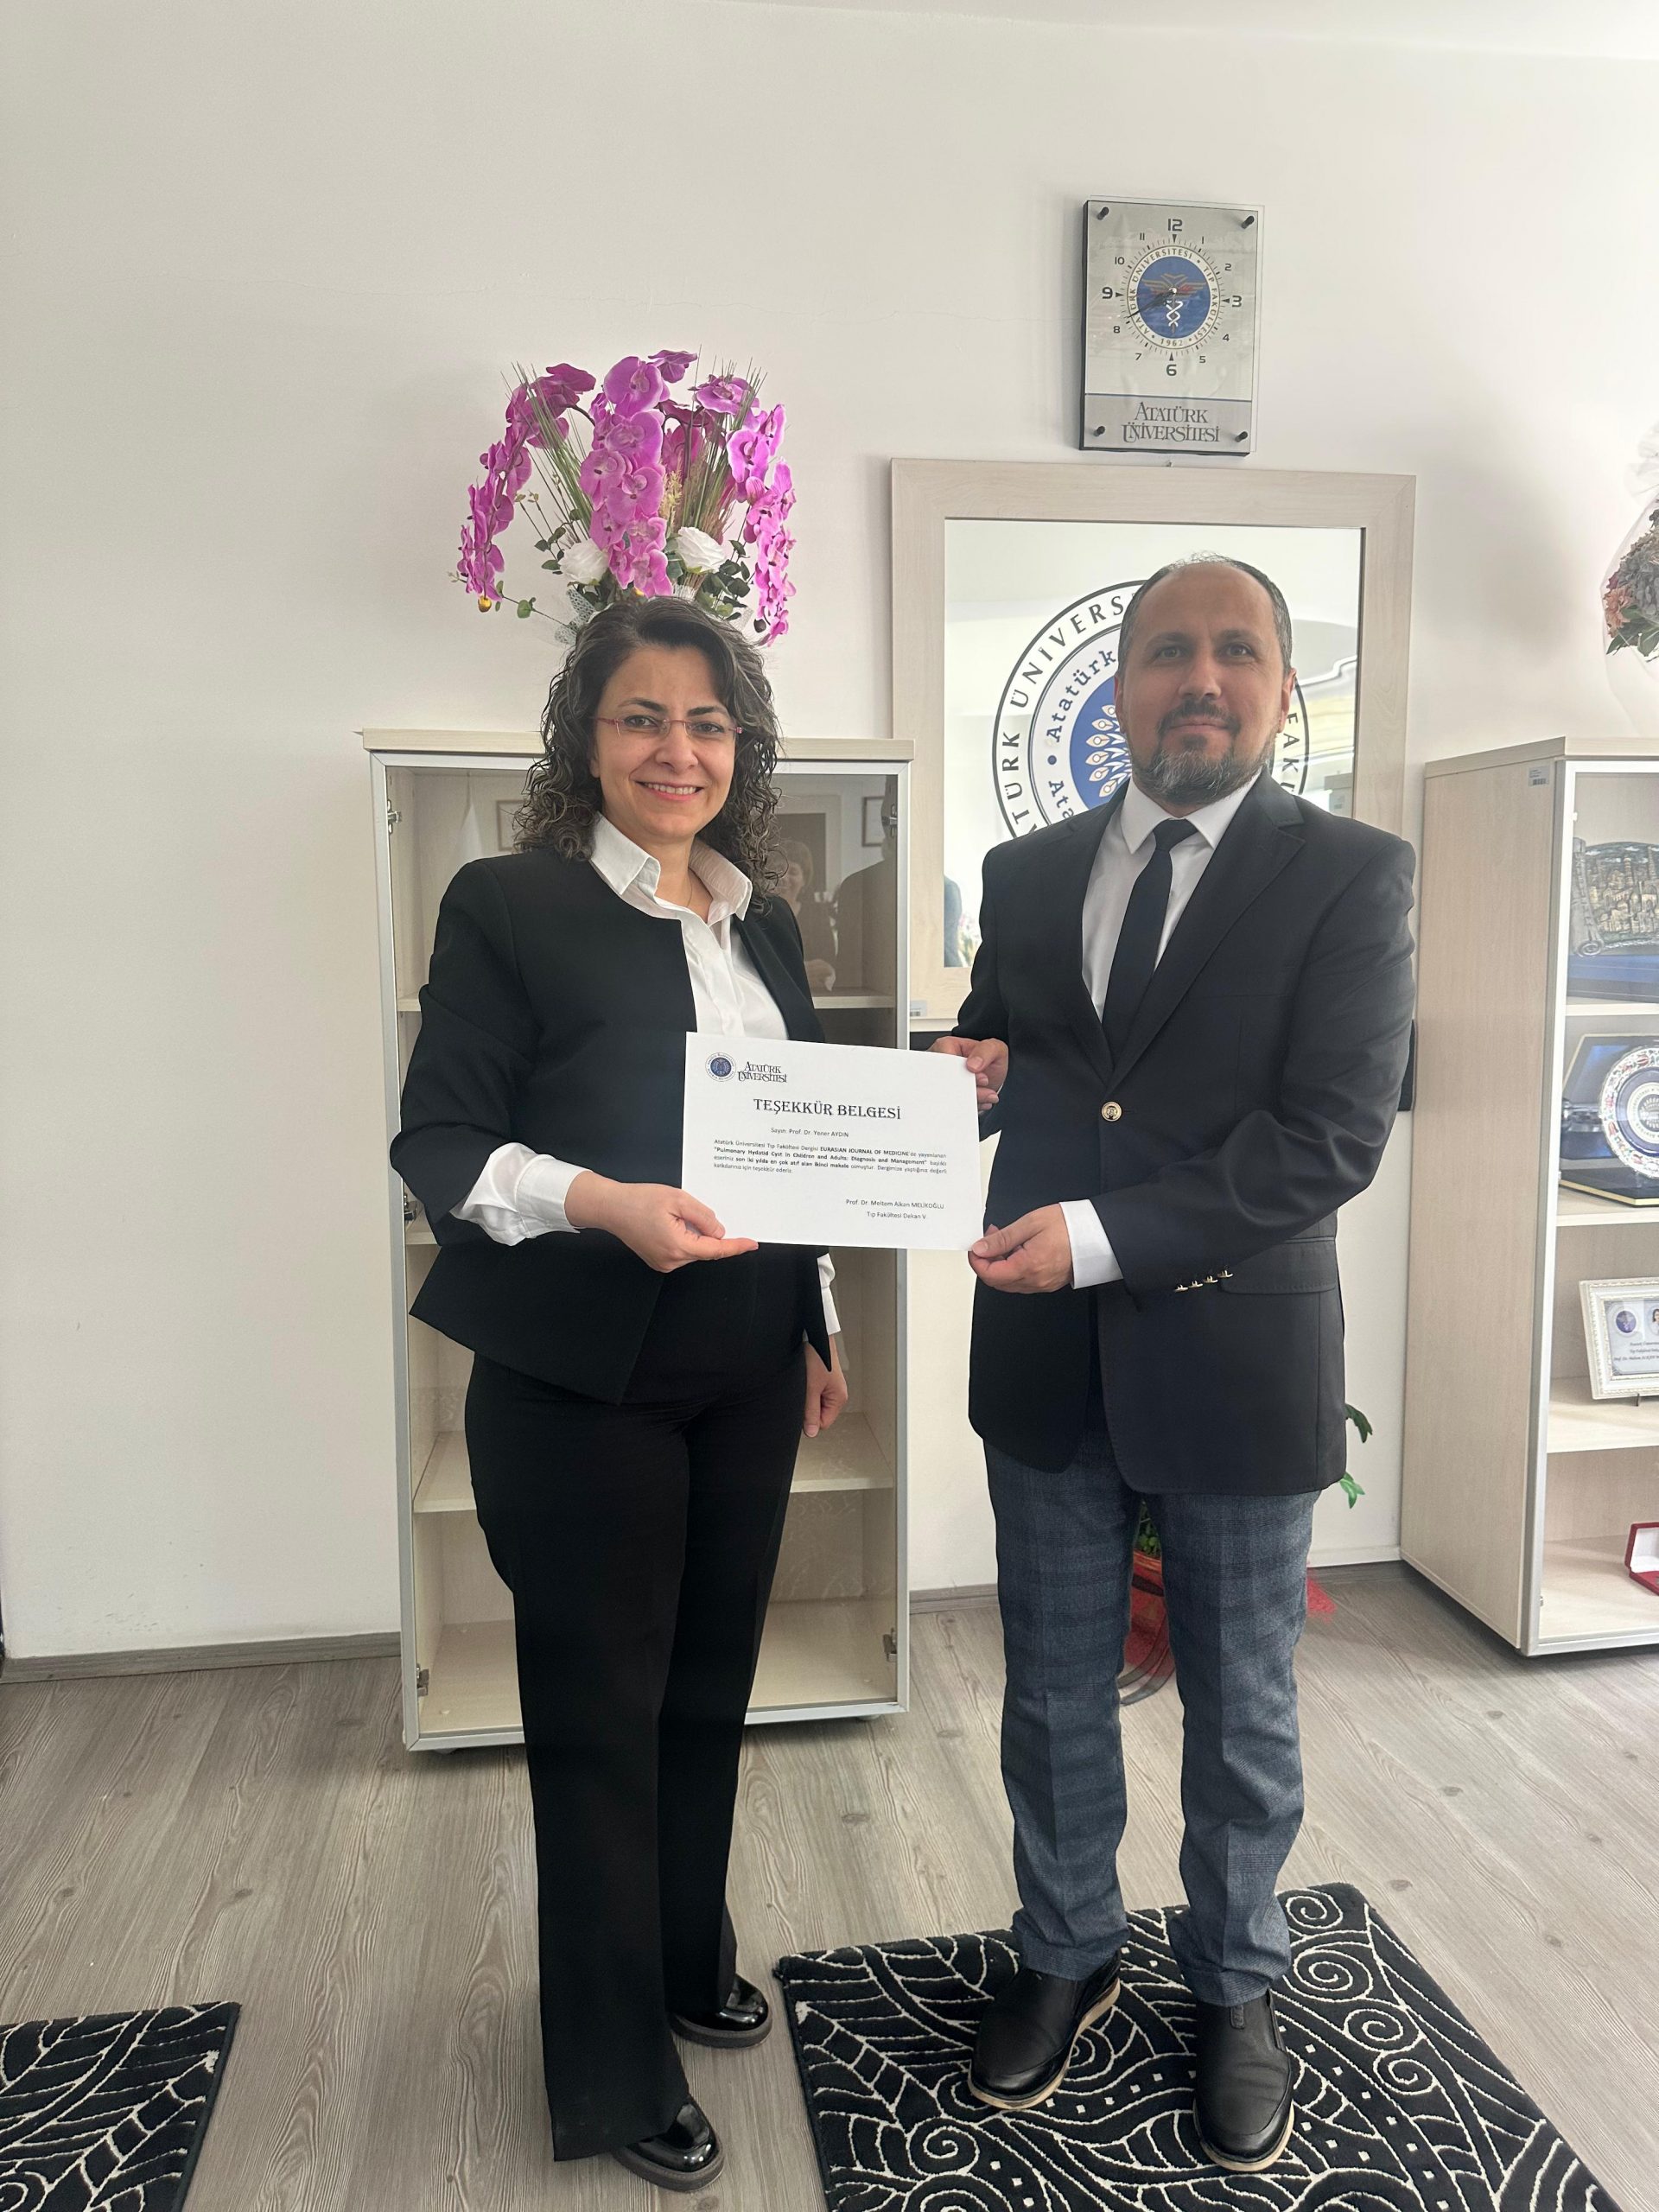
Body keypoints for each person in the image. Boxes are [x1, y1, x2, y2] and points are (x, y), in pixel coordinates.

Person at [933, 554, 1414, 2173]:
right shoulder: (1024, 872)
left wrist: (1101, 1234)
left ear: (1281, 686)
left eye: (1237, 650)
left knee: (1244, 1708)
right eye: (1167, 651)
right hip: (1045, 1358)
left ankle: (1234, 1982)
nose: (1200, 678)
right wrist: (965, 1077)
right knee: (1053, 1691)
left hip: (1237, 1355)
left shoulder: (1352, 877)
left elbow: (1329, 1138)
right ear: (1121, 682)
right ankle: (1065, 1951)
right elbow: (1017, 1061)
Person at [391, 596, 849, 2191]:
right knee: (600, 1721)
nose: (678, 750)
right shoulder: (509, 904)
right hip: (581, 1378)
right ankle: (607, 2069)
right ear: (585, 743)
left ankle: (679, 1955)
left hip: (745, 1368)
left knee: (709, 1690)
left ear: (742, 750)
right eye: (642, 717)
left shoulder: (764, 925)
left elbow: (795, 1148)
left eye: (707, 723)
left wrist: (815, 1326)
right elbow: (439, 1146)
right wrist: (600, 1200)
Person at [777, 836, 837, 992]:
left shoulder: (817, 914)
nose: (783, 878)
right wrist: (800, 972)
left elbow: (826, 965)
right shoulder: (758, 913)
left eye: (793, 872)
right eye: (779, 870)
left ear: (804, 880)